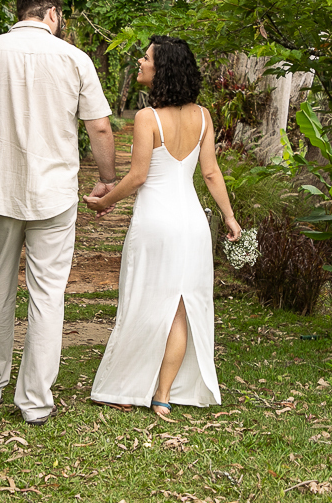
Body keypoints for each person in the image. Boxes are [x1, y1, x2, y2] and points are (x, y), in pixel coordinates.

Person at [0, 0, 117, 425]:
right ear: (53, 15)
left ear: (18, 12)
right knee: (48, 295)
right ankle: (36, 402)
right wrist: (106, 179)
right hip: (55, 194)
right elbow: (99, 127)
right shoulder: (75, 58)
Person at [83, 36, 240, 417]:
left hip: (156, 223)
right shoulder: (203, 116)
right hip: (192, 225)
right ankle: (163, 394)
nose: (141, 60)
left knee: (142, 303)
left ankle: (125, 389)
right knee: (181, 309)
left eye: (147, 57)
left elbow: (138, 177)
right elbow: (211, 172)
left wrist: (104, 201)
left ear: (161, 69)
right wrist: (230, 217)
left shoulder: (147, 118)